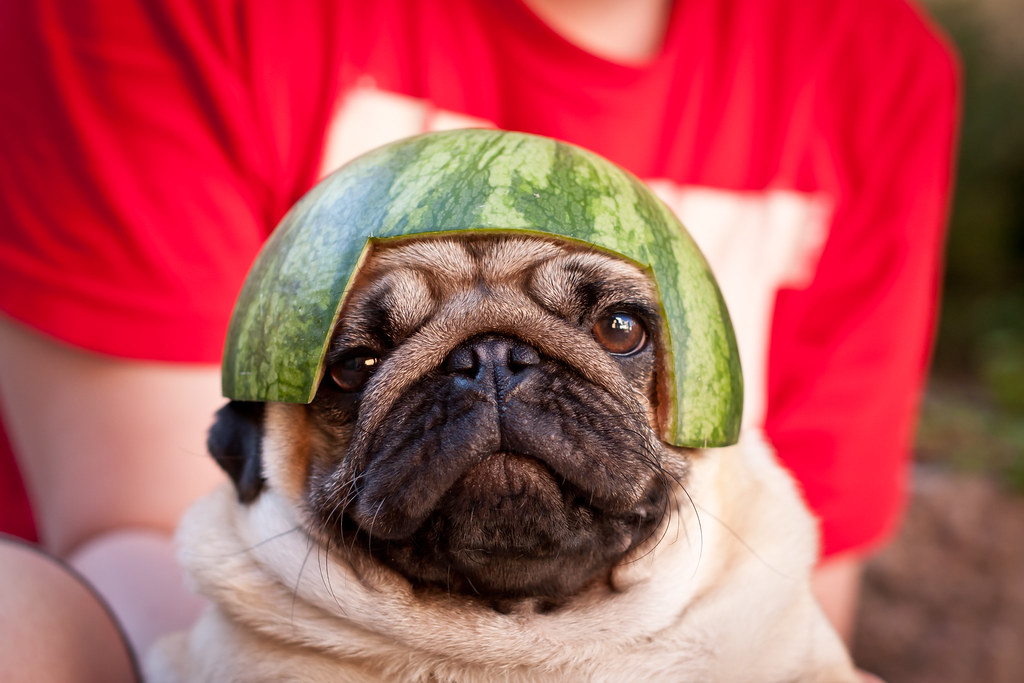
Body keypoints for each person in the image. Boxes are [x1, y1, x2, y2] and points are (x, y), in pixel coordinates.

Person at [0, 0, 958, 680]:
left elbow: (795, 581)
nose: (494, 370)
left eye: (617, 327)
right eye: (362, 361)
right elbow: (141, 533)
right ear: (248, 431)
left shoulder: (872, 69)